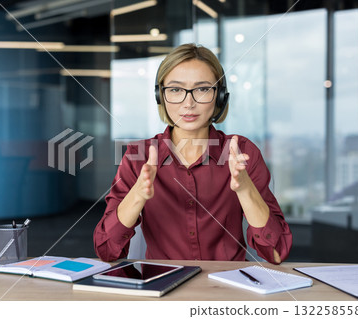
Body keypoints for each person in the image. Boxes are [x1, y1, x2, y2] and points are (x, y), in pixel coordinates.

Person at [94, 43, 292, 264]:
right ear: (161, 96)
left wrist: (246, 190)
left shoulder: (242, 153)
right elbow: (107, 251)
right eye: (176, 90)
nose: (189, 103)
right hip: (163, 288)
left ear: (220, 97)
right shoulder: (138, 156)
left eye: (203, 89)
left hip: (228, 288)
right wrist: (137, 195)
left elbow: (276, 253)